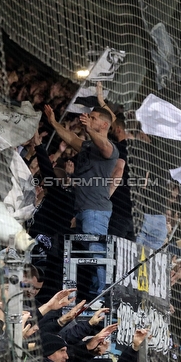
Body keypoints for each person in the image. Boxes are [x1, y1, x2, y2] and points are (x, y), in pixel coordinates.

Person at [43, 104, 118, 301]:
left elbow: (103, 145)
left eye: (93, 118)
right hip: (83, 211)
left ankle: (102, 297)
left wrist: (90, 129)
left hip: (96, 210)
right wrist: (53, 122)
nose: (88, 119)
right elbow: (71, 138)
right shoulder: (88, 146)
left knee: (96, 254)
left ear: (103, 124)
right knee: (85, 254)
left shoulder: (110, 148)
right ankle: (92, 294)